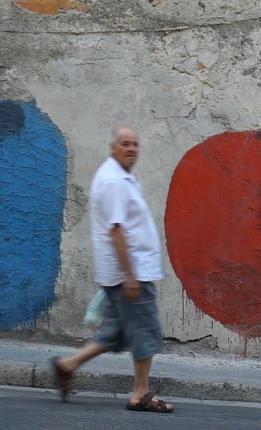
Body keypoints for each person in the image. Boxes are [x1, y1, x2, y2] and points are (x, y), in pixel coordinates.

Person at [51, 126, 173, 413]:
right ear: (113, 147)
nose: (131, 149)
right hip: (130, 273)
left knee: (116, 334)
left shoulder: (121, 177)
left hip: (125, 272)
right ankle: (140, 394)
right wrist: (129, 275)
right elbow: (117, 230)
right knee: (145, 330)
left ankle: (66, 365)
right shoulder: (114, 181)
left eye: (135, 144)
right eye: (125, 144)